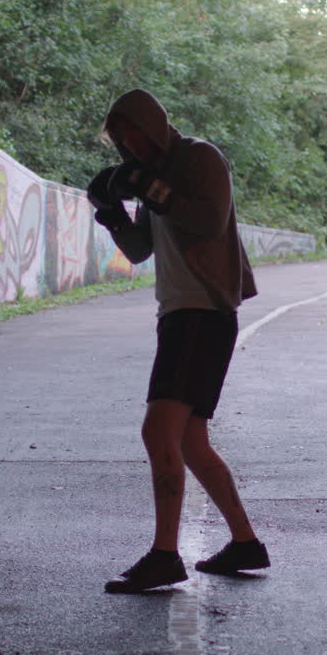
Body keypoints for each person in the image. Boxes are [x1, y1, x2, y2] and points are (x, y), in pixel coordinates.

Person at [86, 89, 269, 594]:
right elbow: (142, 249)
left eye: (135, 135)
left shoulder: (199, 157)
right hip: (179, 315)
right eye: (123, 143)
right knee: (189, 441)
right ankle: (245, 543)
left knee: (158, 431)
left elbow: (209, 220)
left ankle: (165, 555)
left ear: (156, 124)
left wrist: (149, 186)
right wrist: (112, 212)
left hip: (203, 312)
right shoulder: (155, 173)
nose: (131, 147)